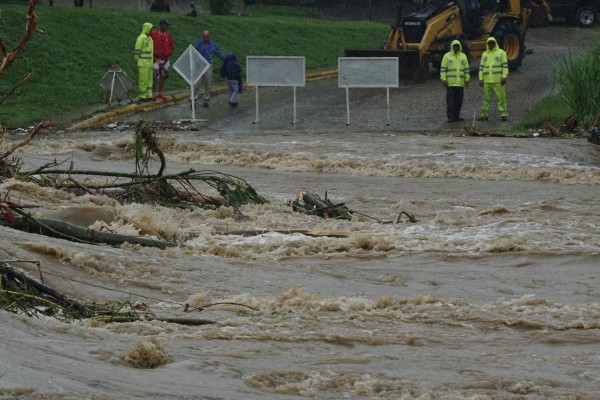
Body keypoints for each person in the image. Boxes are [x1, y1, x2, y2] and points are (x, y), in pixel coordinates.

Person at [478, 36, 509, 121]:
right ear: (487, 44)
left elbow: (505, 66)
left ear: (495, 43)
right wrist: (480, 79)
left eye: (492, 43)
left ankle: (503, 115)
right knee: (486, 99)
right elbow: (481, 68)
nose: (491, 44)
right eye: (489, 43)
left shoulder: (501, 53)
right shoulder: (484, 54)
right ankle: (484, 115)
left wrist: (504, 77)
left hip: (498, 80)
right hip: (487, 81)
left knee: (501, 98)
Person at [440, 40, 470, 122]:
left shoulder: (463, 56)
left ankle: (456, 116)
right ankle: (450, 117)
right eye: (454, 46)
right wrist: (443, 79)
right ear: (452, 47)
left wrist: (467, 79)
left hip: (460, 83)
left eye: (457, 46)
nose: (456, 47)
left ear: (459, 46)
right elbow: (443, 69)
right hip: (450, 83)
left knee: (459, 101)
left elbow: (466, 69)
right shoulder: (447, 56)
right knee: (450, 101)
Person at [193, 30, 225, 108]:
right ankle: (193, 99)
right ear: (202, 36)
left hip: (208, 64)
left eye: (207, 37)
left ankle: (206, 100)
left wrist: (226, 59)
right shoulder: (198, 43)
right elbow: (193, 52)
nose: (205, 38)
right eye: (204, 37)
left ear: (209, 37)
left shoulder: (213, 44)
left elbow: (219, 53)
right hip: (199, 64)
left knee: (208, 83)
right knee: (196, 83)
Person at [150, 19, 174, 100]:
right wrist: (153, 54)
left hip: (165, 59)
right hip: (156, 58)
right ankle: (153, 92)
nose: (167, 27)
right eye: (166, 25)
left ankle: (160, 92)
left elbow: (171, 45)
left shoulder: (168, 35)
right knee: (155, 75)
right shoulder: (154, 34)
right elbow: (150, 45)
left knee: (163, 76)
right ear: (162, 25)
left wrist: (169, 52)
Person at [133, 22, 154, 102]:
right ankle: (142, 96)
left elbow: (151, 52)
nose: (152, 31)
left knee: (149, 81)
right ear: (147, 29)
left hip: (149, 64)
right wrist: (136, 59)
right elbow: (137, 50)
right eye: (151, 29)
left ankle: (149, 95)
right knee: (143, 80)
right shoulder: (141, 38)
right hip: (143, 63)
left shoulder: (150, 39)